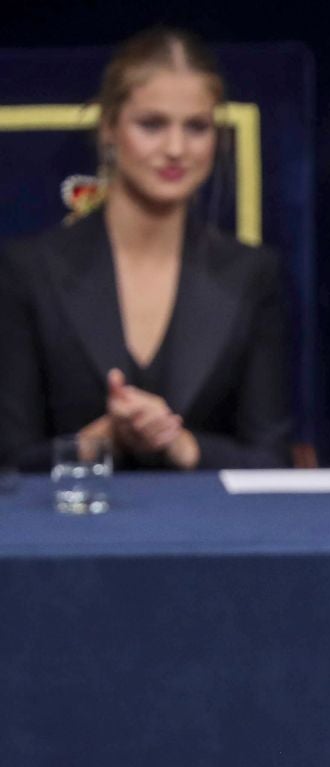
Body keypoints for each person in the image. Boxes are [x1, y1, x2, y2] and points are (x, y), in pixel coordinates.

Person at [0, 28, 291, 473]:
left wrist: (182, 445)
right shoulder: (27, 270)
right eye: (152, 125)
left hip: (208, 534)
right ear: (109, 128)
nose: (175, 149)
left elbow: (272, 461)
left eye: (196, 127)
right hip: (68, 534)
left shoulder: (252, 274)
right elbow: (9, 462)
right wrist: (100, 441)